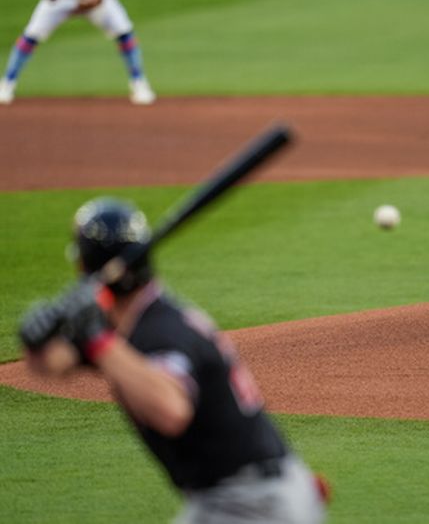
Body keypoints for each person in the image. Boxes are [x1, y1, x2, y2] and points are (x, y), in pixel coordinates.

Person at [18, 197, 327, 523]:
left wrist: (96, 339)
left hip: (252, 503)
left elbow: (170, 411)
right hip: (247, 496)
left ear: (83, 266)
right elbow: (54, 363)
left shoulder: (161, 332)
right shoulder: (132, 324)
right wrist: (39, 335)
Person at [0, 0, 155, 105]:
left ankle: (139, 82)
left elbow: (97, 1)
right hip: (59, 2)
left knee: (124, 33)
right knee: (31, 36)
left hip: (96, 3)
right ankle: (7, 83)